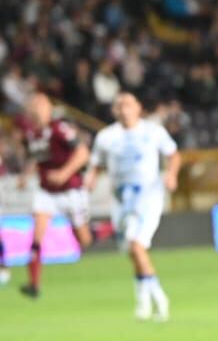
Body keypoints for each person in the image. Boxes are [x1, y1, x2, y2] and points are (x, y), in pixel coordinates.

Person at [85, 93, 181, 320]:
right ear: (114, 111)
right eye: (119, 106)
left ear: (138, 108)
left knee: (137, 246)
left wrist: (171, 174)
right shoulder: (106, 137)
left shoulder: (153, 131)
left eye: (128, 105)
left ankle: (157, 299)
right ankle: (145, 301)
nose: (124, 110)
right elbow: (96, 164)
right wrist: (90, 178)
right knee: (132, 250)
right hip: (121, 200)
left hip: (148, 197)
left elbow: (173, 154)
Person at [18, 92, 91, 299]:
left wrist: (64, 173)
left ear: (48, 109)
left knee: (84, 240)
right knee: (36, 236)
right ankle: (34, 284)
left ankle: (105, 229)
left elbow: (83, 152)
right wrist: (25, 175)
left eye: (40, 106)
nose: (36, 110)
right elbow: (37, 158)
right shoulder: (30, 134)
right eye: (33, 107)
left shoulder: (60, 128)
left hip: (71, 189)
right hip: (46, 191)